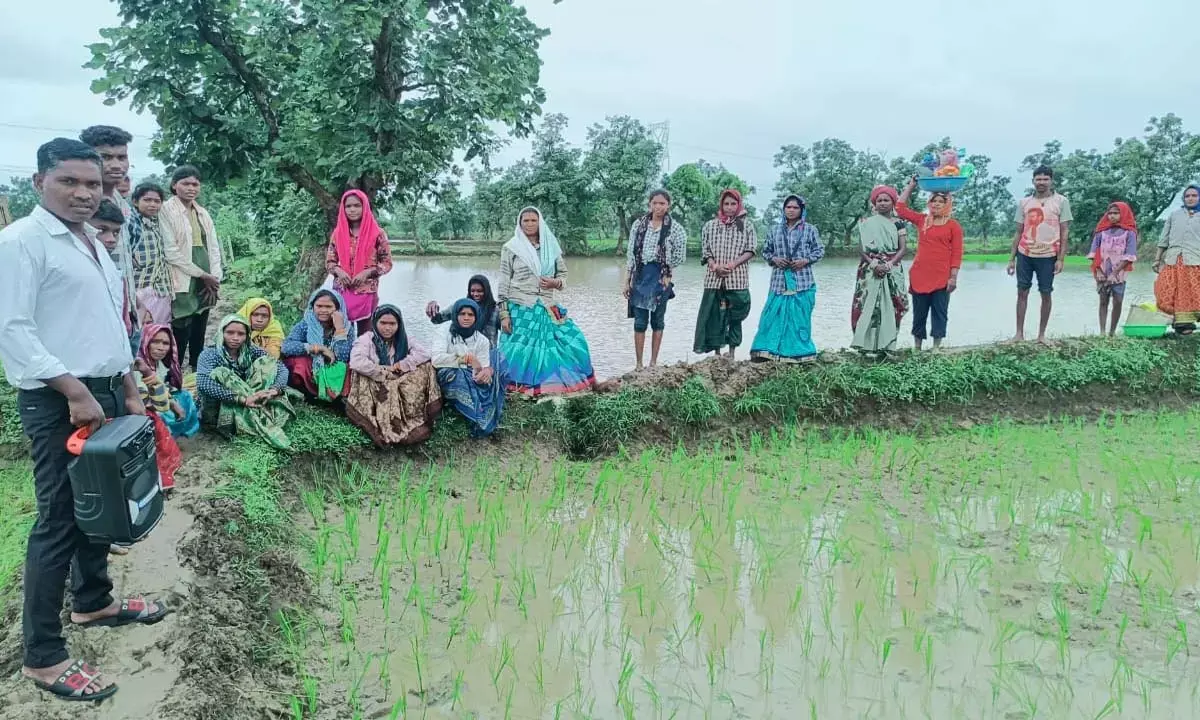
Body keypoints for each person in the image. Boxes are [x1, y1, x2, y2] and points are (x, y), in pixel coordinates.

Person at [0, 138, 168, 702]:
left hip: (104, 391)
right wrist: (73, 390)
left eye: (92, 184)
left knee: (104, 504)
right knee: (60, 520)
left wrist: (127, 386)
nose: (83, 193)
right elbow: (13, 331)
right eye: (69, 181)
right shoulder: (21, 243)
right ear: (38, 182)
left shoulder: (91, 241)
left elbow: (105, 324)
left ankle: (94, 603)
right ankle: (43, 658)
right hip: (59, 399)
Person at [497, 207, 596, 396]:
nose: (529, 224)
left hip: (547, 305)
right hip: (520, 306)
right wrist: (504, 313)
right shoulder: (511, 248)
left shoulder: (550, 247)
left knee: (573, 341)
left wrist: (555, 282)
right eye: (525, 221)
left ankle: (553, 387)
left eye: (533, 220)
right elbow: (503, 281)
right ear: (519, 223)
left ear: (540, 222)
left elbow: (564, 276)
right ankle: (518, 390)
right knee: (520, 350)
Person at [196, 315, 297, 449]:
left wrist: (275, 389)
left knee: (267, 362)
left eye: (241, 334)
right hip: (222, 403)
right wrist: (241, 399)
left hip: (250, 394)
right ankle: (247, 419)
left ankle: (258, 408)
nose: (235, 338)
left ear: (247, 336)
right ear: (221, 332)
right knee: (221, 372)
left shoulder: (250, 349)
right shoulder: (210, 354)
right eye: (230, 333)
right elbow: (203, 383)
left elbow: (280, 367)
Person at [347, 305, 441, 446]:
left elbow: (425, 353)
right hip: (377, 382)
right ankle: (380, 421)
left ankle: (412, 415)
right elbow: (356, 361)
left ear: (399, 324)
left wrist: (401, 365)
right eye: (383, 323)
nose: (388, 328)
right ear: (375, 323)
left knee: (427, 367)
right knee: (359, 374)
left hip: (398, 379)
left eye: (392, 324)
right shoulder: (366, 339)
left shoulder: (404, 338)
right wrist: (383, 370)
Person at [161, 165, 222, 370]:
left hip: (205, 269)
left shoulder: (202, 212)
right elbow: (171, 252)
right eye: (185, 183)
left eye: (195, 184)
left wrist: (214, 277)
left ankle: (198, 368)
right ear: (174, 185)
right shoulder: (166, 210)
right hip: (182, 272)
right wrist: (202, 275)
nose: (191, 188)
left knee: (201, 318)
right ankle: (174, 371)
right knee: (182, 321)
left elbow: (212, 246)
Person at [750, 194, 824, 362]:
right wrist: (774, 259)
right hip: (779, 281)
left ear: (802, 210)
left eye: (795, 208)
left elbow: (819, 251)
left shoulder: (810, 230)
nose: (791, 210)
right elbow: (766, 251)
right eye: (788, 207)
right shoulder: (775, 230)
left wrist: (805, 261)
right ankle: (767, 352)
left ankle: (799, 353)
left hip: (802, 281)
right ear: (783, 209)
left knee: (799, 319)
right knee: (771, 317)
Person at [80, 126, 138, 338]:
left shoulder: (121, 203)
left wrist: (135, 302)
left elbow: (123, 261)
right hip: (97, 317)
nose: (116, 165)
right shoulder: (83, 206)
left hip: (127, 309)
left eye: (121, 157)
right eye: (105, 157)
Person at [1008, 166, 1073, 344]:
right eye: (1038, 179)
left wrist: (1061, 258)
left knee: (1046, 293)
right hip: (1025, 253)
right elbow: (1018, 231)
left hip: (1049, 255)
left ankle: (1041, 335)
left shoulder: (1061, 201)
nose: (1042, 182)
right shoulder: (1024, 203)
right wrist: (1011, 259)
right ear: (1033, 181)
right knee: (1022, 292)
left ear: (1051, 181)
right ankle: (1019, 334)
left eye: (1045, 179)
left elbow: (1065, 231)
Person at [898, 177, 963, 350]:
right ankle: (917, 348)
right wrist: (911, 185)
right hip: (920, 275)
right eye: (933, 201)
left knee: (940, 313)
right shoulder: (922, 220)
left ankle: (936, 348)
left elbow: (957, 253)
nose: (936, 205)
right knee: (919, 314)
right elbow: (900, 209)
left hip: (942, 278)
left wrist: (953, 277)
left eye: (941, 202)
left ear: (947, 204)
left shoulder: (953, 226)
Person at [624, 190, 686, 370]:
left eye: (662, 203)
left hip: (660, 278)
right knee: (639, 321)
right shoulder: (639, 225)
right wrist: (627, 280)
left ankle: (653, 363)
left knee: (658, 320)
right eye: (655, 203)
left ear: (668, 206)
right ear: (649, 204)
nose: (658, 207)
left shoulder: (675, 228)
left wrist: (667, 273)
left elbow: (680, 256)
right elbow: (630, 253)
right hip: (640, 276)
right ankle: (638, 364)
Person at [695, 189, 757, 359]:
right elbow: (706, 251)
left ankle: (731, 352)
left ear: (739, 205)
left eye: (733, 204)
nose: (729, 207)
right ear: (721, 205)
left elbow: (750, 250)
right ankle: (716, 353)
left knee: (735, 317)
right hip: (714, 279)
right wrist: (714, 266)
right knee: (715, 315)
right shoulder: (710, 225)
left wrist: (731, 265)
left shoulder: (747, 225)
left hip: (737, 280)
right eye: (726, 204)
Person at [850, 186, 909, 355]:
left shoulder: (899, 223)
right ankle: (865, 346)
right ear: (874, 203)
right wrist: (874, 264)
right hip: (869, 269)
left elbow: (903, 248)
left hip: (893, 268)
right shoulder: (866, 224)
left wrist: (888, 265)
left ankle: (888, 346)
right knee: (868, 305)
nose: (882, 203)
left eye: (886, 200)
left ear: (893, 203)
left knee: (894, 304)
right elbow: (861, 249)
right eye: (879, 200)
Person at [433, 298, 504, 437]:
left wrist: (483, 373)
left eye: (470, 315)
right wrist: (463, 360)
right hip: (448, 372)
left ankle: (477, 416)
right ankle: (470, 415)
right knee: (458, 377)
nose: (466, 318)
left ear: (476, 317)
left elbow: (482, 366)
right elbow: (436, 360)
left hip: (470, 374)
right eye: (462, 314)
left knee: (489, 382)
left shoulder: (481, 339)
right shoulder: (444, 332)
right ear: (455, 315)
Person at [326, 189, 393, 335]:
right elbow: (330, 262)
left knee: (366, 335)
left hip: (367, 292)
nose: (352, 210)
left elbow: (387, 263)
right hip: (342, 291)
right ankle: (341, 358)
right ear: (343, 209)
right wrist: (339, 271)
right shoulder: (338, 234)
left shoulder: (377, 234)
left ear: (365, 207)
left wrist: (367, 272)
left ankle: (362, 358)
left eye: (357, 205)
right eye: (348, 206)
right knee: (341, 332)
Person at [281, 289, 355, 401]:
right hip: (312, 367)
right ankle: (308, 393)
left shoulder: (346, 327)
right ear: (312, 306)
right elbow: (286, 347)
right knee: (298, 363)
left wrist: (339, 329)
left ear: (338, 309)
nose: (323, 310)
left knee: (349, 368)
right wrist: (319, 348)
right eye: (319, 306)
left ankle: (334, 395)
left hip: (334, 368)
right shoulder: (306, 323)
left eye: (328, 307)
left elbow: (343, 357)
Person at [135, 323, 201, 438]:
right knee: (161, 414)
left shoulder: (159, 364)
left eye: (166, 343)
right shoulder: (137, 366)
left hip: (158, 399)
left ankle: (185, 432)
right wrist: (171, 404)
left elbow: (163, 386)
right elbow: (145, 401)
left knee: (185, 396)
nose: (161, 347)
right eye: (155, 341)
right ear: (145, 341)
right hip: (143, 407)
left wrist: (172, 402)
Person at [1154, 184, 1200, 335]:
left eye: (1194, 195)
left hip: (1194, 261)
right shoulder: (1174, 215)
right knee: (1168, 290)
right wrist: (1157, 259)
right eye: (1187, 196)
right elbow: (1164, 239)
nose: (1191, 198)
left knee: (1192, 292)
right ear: (1183, 198)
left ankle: (1187, 323)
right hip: (1173, 260)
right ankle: (1180, 324)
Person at [1087, 201, 1138, 336]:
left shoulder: (1129, 233)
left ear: (1123, 214)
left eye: (1116, 213)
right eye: (1109, 213)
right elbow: (1093, 252)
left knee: (1118, 300)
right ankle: (1102, 332)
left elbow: (1130, 255)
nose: (1112, 216)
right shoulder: (1101, 231)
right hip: (1102, 271)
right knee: (1103, 300)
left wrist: (1115, 273)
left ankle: (1112, 332)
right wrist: (1098, 270)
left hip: (1119, 272)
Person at [128, 183, 176, 325]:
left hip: (160, 290)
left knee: (158, 334)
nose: (153, 204)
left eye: (157, 201)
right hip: (138, 291)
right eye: (147, 200)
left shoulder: (157, 223)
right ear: (135, 202)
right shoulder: (131, 223)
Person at [426, 274, 501, 347]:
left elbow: (508, 332)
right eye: (472, 291)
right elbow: (437, 320)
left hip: (488, 354)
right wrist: (433, 307)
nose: (475, 294)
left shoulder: (496, 310)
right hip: (464, 352)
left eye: (480, 291)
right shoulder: (462, 306)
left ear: (487, 291)